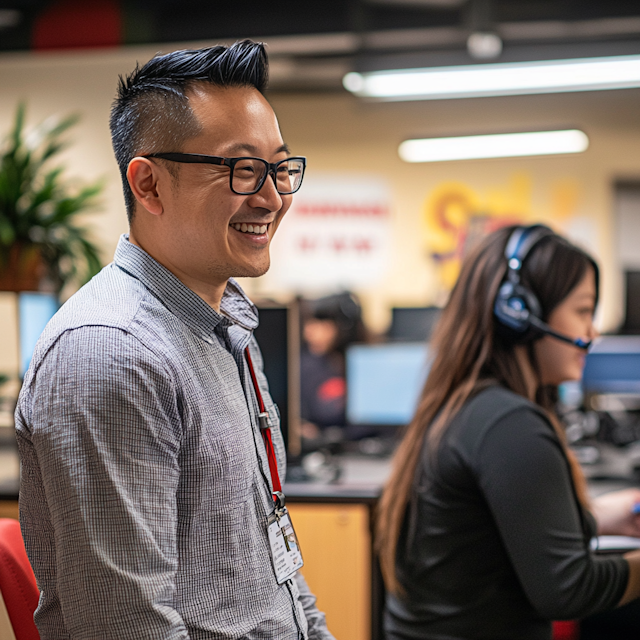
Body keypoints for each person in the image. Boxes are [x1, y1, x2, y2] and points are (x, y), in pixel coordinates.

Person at [15, 41, 335, 640]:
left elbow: (278, 569)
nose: (272, 197)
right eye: (242, 169)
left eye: (280, 167)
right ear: (149, 185)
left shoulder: (226, 328)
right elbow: (126, 628)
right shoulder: (112, 352)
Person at [376, 224, 640, 640]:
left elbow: (497, 538)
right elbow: (568, 588)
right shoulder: (509, 425)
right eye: (584, 311)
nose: (592, 333)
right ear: (520, 313)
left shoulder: (467, 406)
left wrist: (603, 518)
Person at [299, 292, 365, 439]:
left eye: (321, 324)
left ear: (344, 327)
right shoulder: (305, 367)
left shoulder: (367, 367)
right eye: (309, 323)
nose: (308, 332)